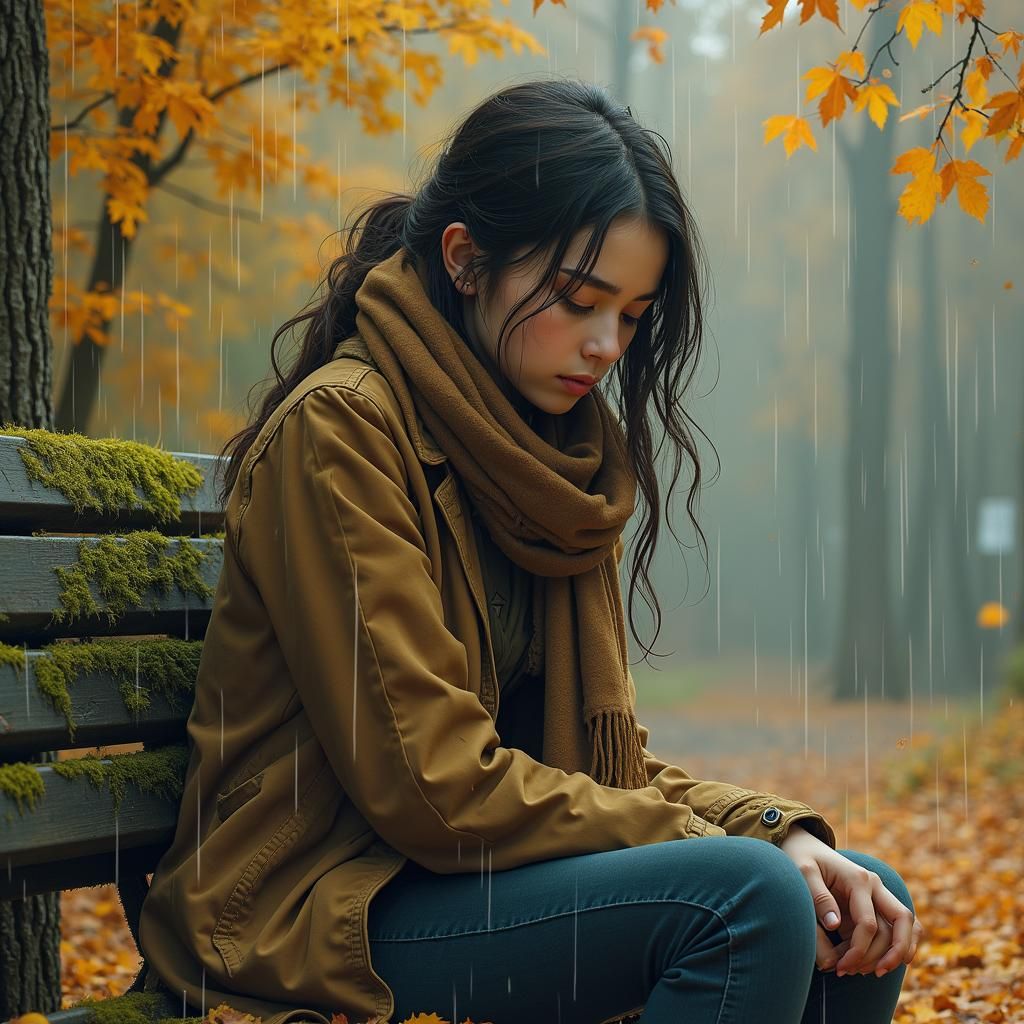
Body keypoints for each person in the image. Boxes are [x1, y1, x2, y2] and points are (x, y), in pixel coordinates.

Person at [137, 76, 922, 1024]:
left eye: (630, 316)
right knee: (746, 902)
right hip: (308, 913)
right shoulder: (343, 434)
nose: (604, 347)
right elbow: (434, 786)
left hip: (446, 885)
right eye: (579, 300)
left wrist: (776, 830)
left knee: (854, 897)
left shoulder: (540, 466)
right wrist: (736, 854)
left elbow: (603, 771)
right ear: (466, 261)